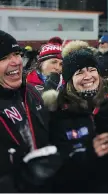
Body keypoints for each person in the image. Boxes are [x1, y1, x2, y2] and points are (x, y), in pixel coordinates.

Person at [42, 40, 108, 192]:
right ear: (70, 80)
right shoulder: (58, 113)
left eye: (92, 69)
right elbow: (57, 169)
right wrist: (88, 153)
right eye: (79, 72)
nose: (88, 76)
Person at [0, 30, 62, 192]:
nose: (15, 62)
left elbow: (53, 135)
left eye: (16, 54)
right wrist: (23, 180)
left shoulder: (32, 92)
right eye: (4, 58)